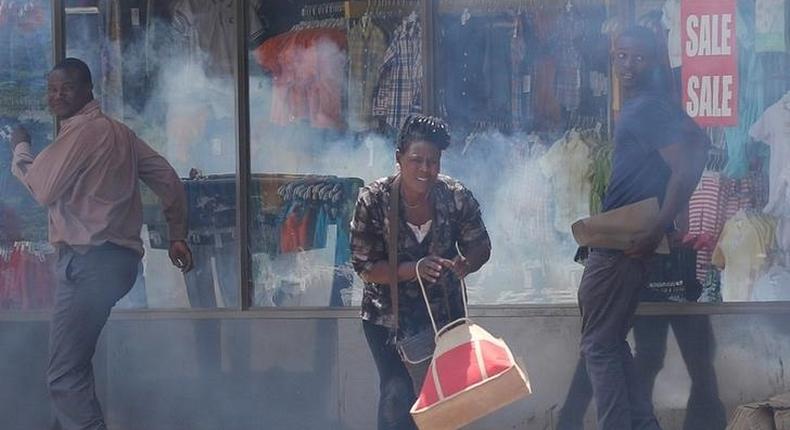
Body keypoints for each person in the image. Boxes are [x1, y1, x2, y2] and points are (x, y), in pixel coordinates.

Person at [8, 57, 193, 430]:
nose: (57, 96)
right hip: (118, 265)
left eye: (66, 88)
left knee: (63, 374)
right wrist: (177, 235)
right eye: (52, 89)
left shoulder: (81, 133)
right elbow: (168, 180)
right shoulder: (120, 133)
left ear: (88, 91)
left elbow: (41, 188)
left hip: (86, 264)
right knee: (71, 366)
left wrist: (20, 147)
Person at [576, 27, 709, 429]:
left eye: (638, 58)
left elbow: (687, 165)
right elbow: (700, 149)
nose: (627, 66)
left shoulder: (646, 108)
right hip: (627, 242)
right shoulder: (655, 105)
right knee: (610, 343)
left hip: (621, 245)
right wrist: (659, 224)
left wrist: (657, 225)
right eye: (621, 56)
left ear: (653, 62)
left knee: (599, 346)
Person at [351, 114, 492, 430]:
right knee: (397, 395)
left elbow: (481, 245)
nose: (425, 170)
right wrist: (411, 270)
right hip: (387, 318)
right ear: (398, 158)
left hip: (444, 317)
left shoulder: (455, 196)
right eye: (416, 160)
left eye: (433, 161)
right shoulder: (373, 200)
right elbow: (365, 266)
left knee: (444, 401)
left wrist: (465, 264)